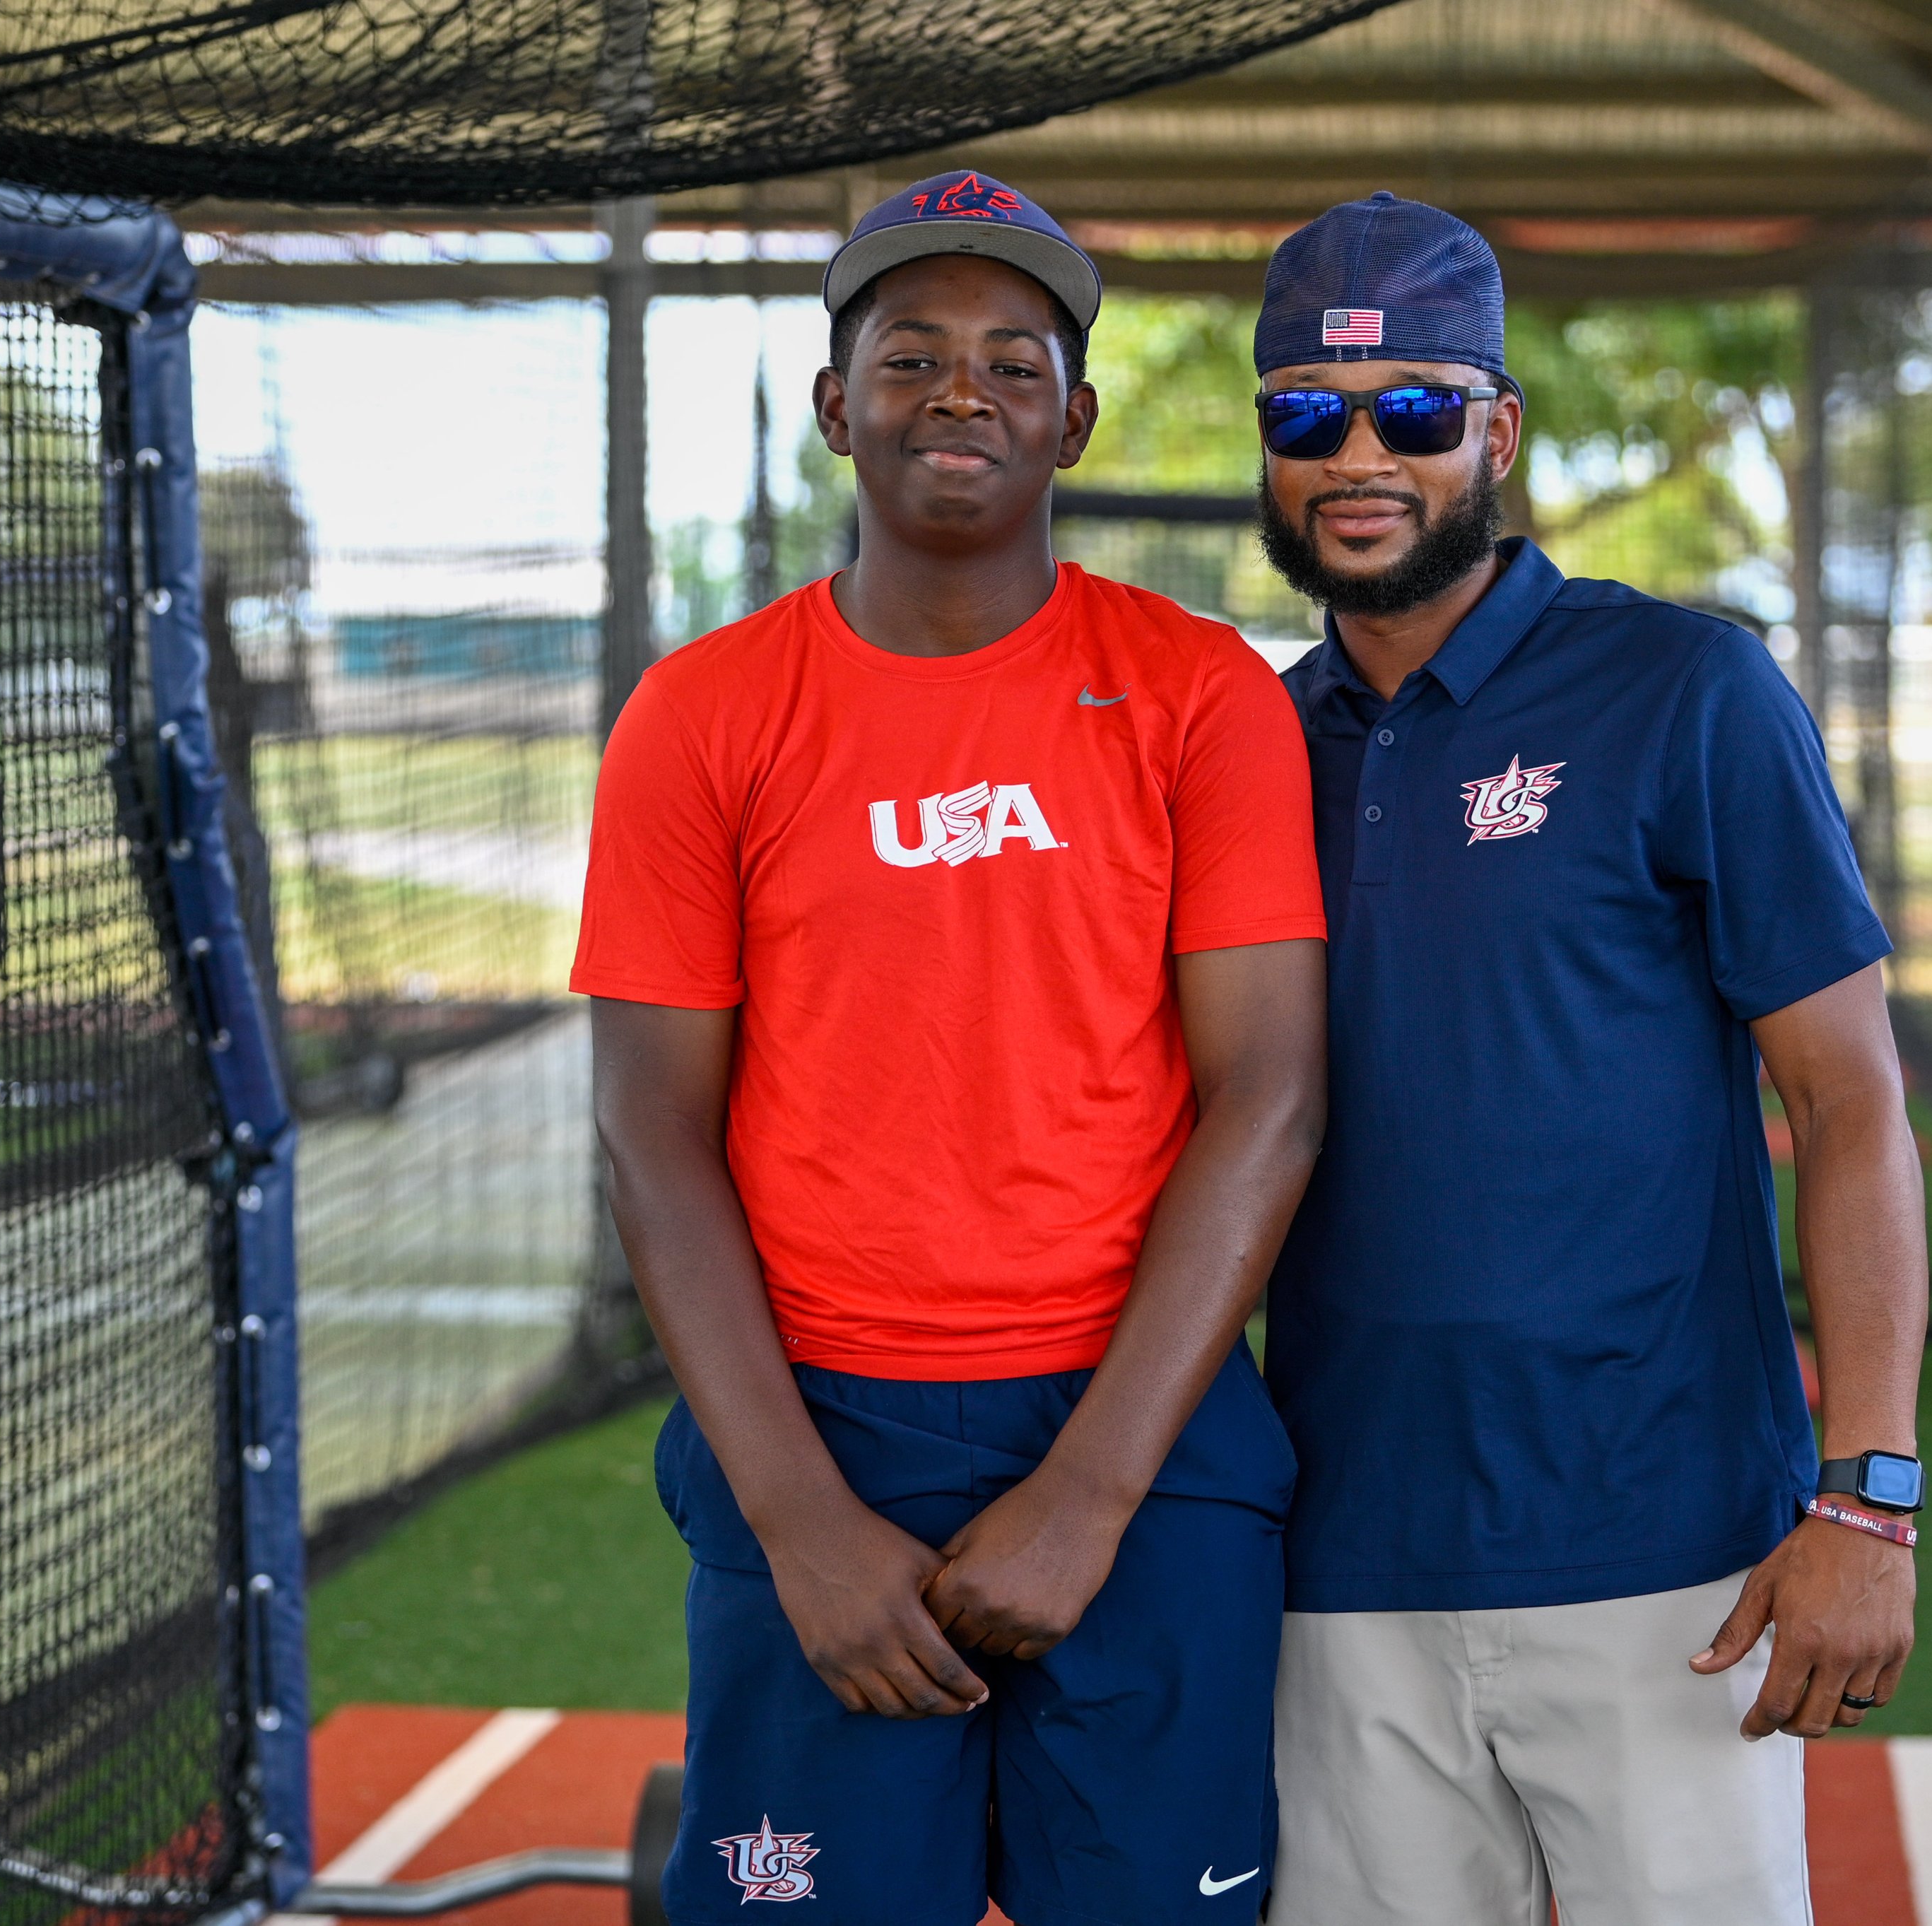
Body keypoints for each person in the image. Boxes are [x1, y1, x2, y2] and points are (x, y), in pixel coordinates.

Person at [574, 171, 1328, 1925]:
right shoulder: (702, 714)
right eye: (907, 354)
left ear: (1077, 414)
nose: (959, 389)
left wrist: (1088, 1490)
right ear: (836, 407)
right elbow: (649, 1135)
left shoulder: (1199, 691)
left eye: (1011, 356)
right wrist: (800, 1522)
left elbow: (1269, 1097)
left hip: (1141, 1430)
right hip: (823, 1426)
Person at [1249, 193, 1930, 1926]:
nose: (1357, 456)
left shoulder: (1687, 688)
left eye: (1413, 408)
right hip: (1336, 1558)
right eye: (1305, 415)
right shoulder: (1242, 745)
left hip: (1667, 1559)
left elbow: (1845, 1097)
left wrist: (1868, 1499)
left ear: (1498, 429)